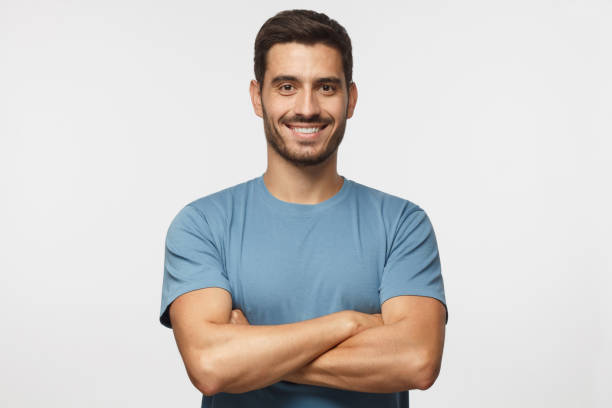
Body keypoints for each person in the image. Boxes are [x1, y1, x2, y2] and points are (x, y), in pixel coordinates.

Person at [159, 9, 448, 408]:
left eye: (326, 87)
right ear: (257, 97)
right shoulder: (202, 225)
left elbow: (417, 360)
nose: (307, 108)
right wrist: (349, 323)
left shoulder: (402, 224)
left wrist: (253, 350)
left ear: (352, 99)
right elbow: (210, 365)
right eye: (287, 86)